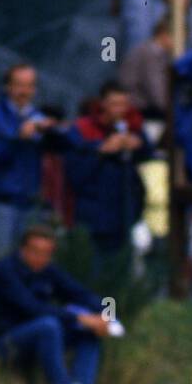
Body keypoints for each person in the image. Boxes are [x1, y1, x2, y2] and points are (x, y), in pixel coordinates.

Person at [0, 225, 116, 384]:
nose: (40, 258)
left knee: (88, 331)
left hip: (38, 340)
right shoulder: (4, 271)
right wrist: (81, 318)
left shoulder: (48, 270)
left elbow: (78, 292)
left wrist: (104, 314)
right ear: (22, 249)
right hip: (3, 342)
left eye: (46, 253)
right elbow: (32, 308)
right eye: (35, 251)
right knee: (49, 325)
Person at [64, 83, 151, 279]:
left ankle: (114, 307)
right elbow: (75, 173)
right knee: (92, 271)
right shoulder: (83, 129)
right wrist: (101, 151)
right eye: (114, 104)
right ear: (103, 104)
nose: (119, 110)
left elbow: (148, 154)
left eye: (123, 104)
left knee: (119, 273)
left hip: (123, 214)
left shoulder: (132, 127)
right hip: (92, 215)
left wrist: (138, 145)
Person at [0, 63, 58, 256]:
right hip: (1, 201)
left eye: (30, 86)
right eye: (20, 85)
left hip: (29, 202)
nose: (25, 91)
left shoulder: (37, 117)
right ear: (8, 87)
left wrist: (54, 133)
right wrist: (17, 139)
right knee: (1, 257)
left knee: (27, 260)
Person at [118, 17, 173, 119]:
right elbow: (156, 93)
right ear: (164, 34)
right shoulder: (151, 53)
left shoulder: (151, 51)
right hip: (140, 112)